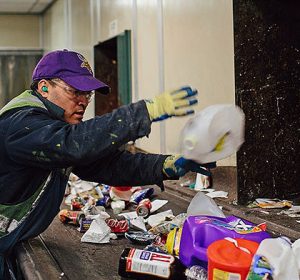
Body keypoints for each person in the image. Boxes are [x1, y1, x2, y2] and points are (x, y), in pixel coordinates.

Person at [0, 49, 215, 279]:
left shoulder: (53, 128)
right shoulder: (21, 122)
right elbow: (74, 143)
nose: (83, 102)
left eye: (88, 94)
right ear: (44, 88)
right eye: (75, 92)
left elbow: (107, 165)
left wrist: (166, 166)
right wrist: (145, 112)